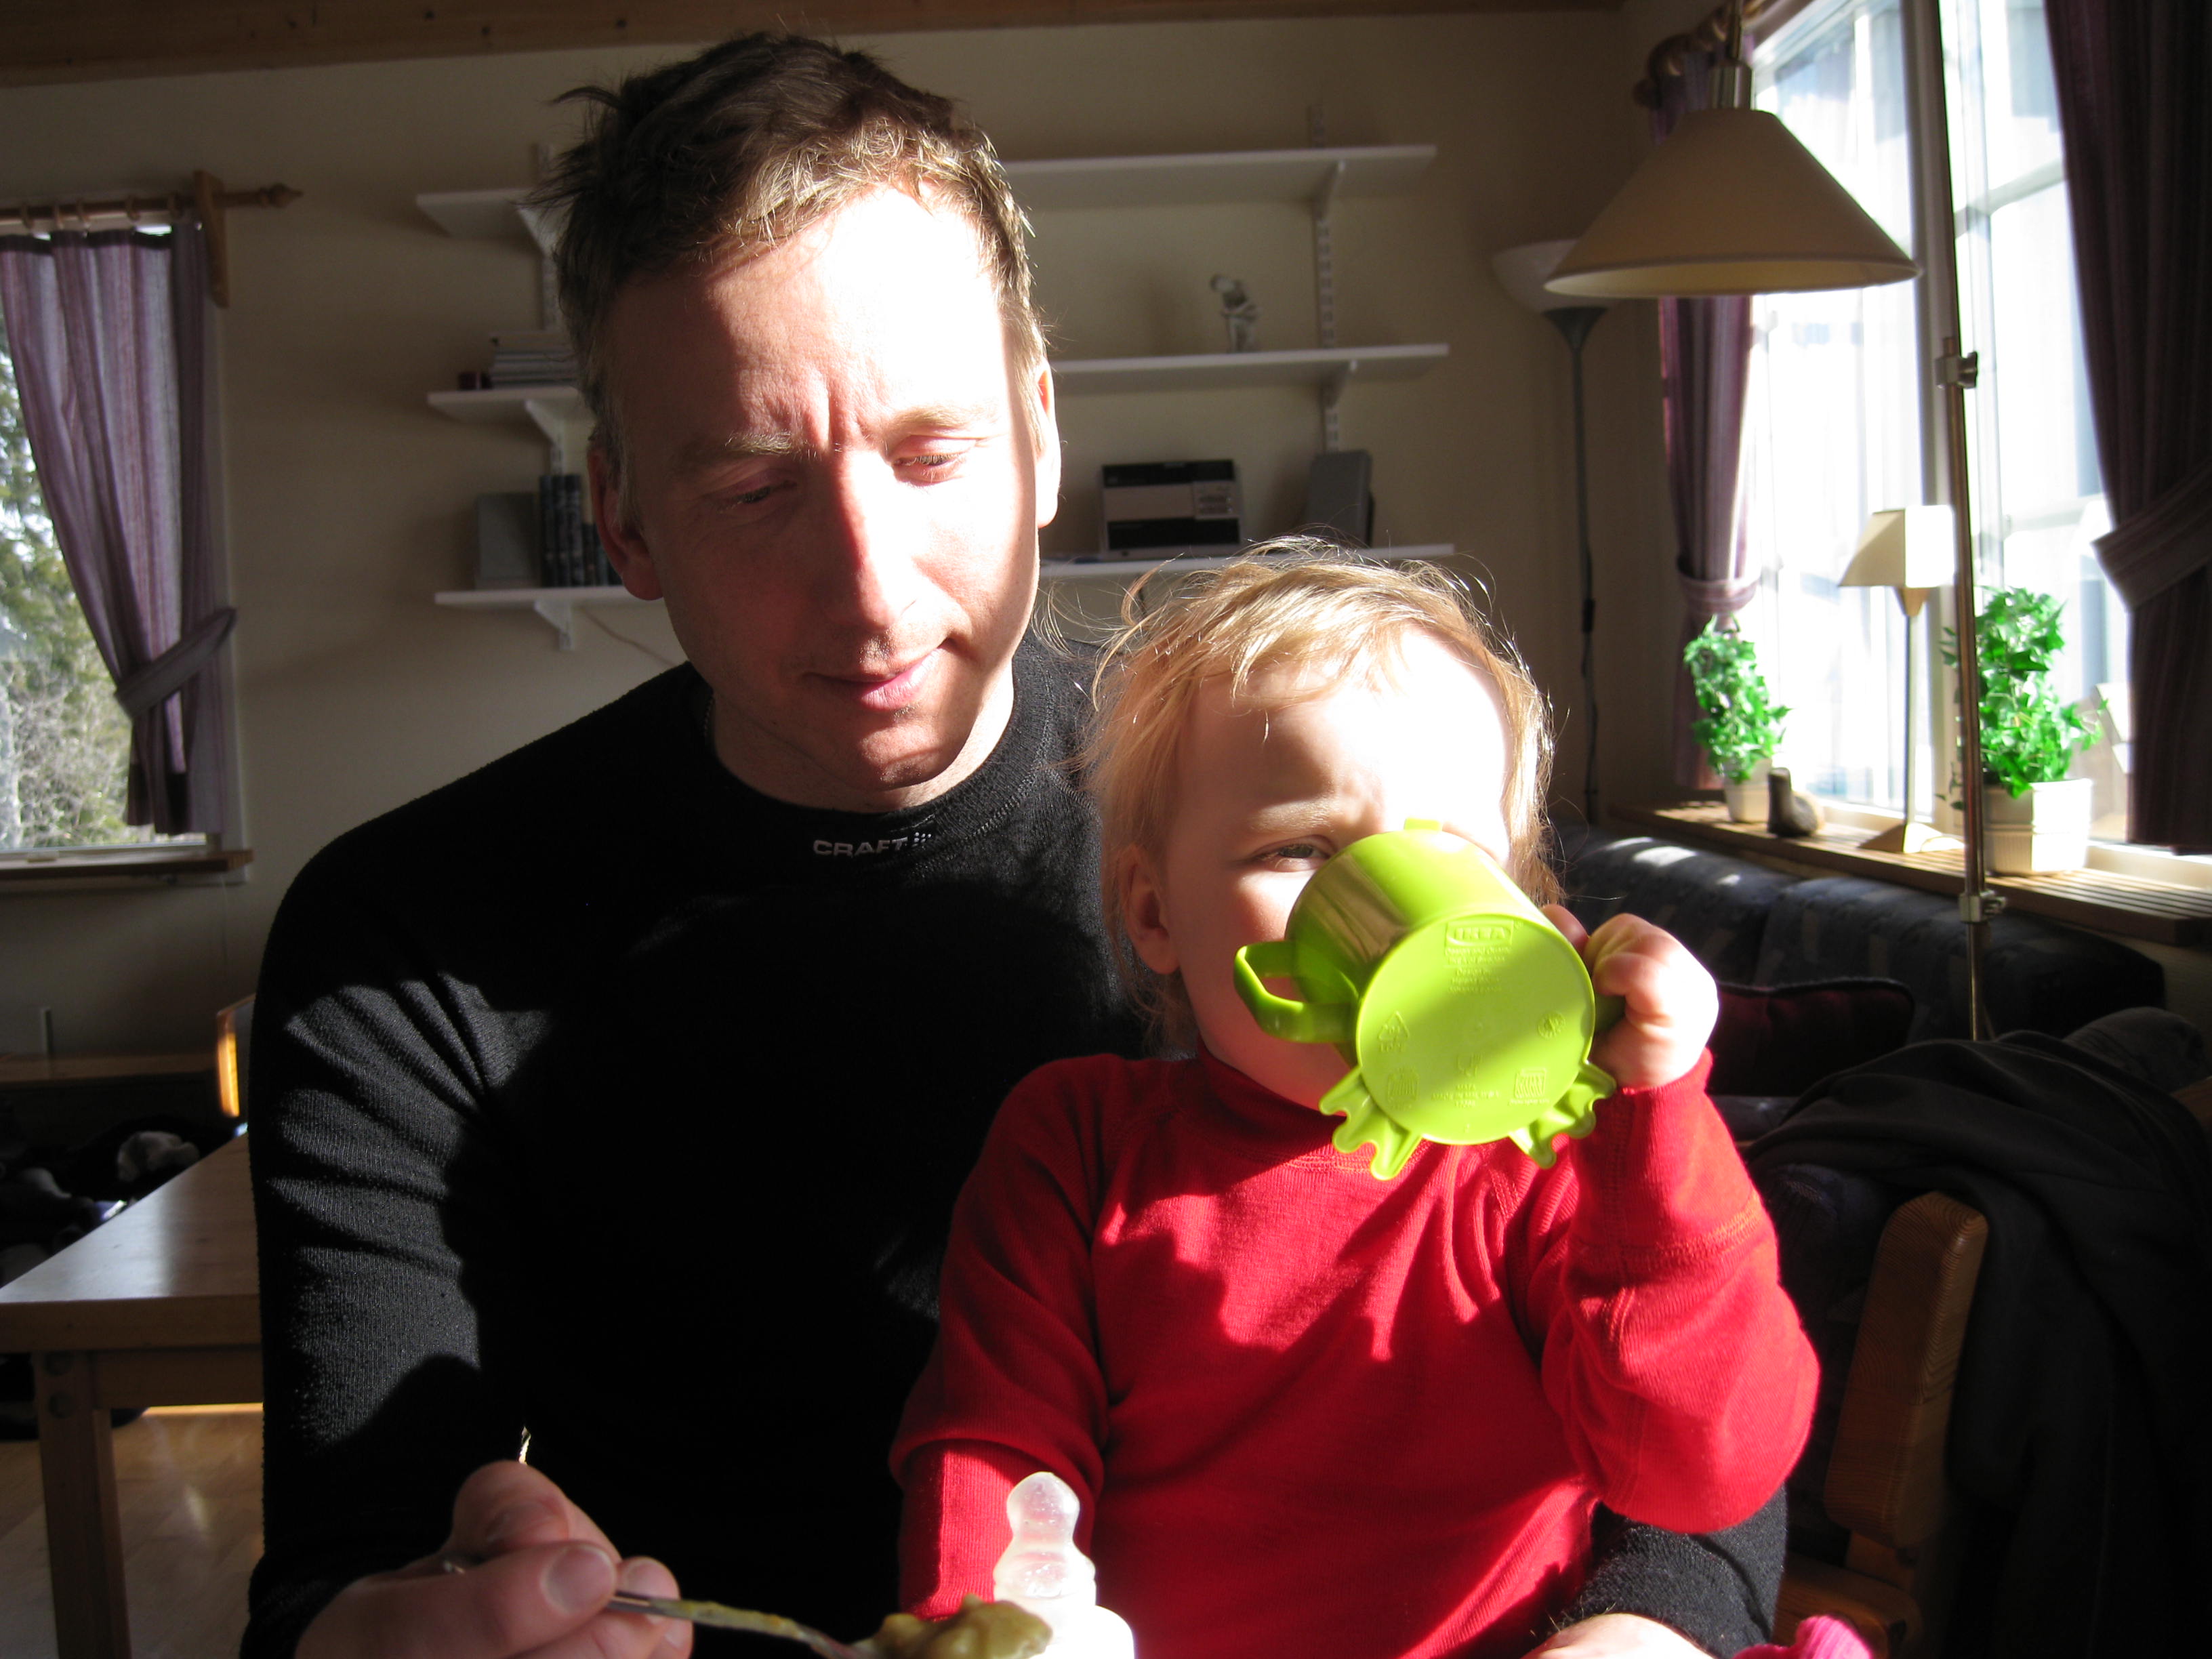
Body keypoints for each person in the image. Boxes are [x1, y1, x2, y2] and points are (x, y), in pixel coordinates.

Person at [245, 35, 1789, 1659]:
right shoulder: (400, 943)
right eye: (757, 488)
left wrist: (1647, 1629)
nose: (872, 589)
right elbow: (343, 1569)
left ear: (1042, 436)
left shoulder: (1302, 798)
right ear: (620, 511)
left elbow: (1672, 1369)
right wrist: (399, 1630)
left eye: (933, 457)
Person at [893, 554, 1818, 1659]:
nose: (1390, 921)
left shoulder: (1552, 1164)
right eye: (1301, 850)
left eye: (1448, 853)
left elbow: (1699, 1470)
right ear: (1154, 912)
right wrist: (978, 1634)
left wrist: (1655, 1116)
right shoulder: (1079, 1145)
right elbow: (996, 1450)